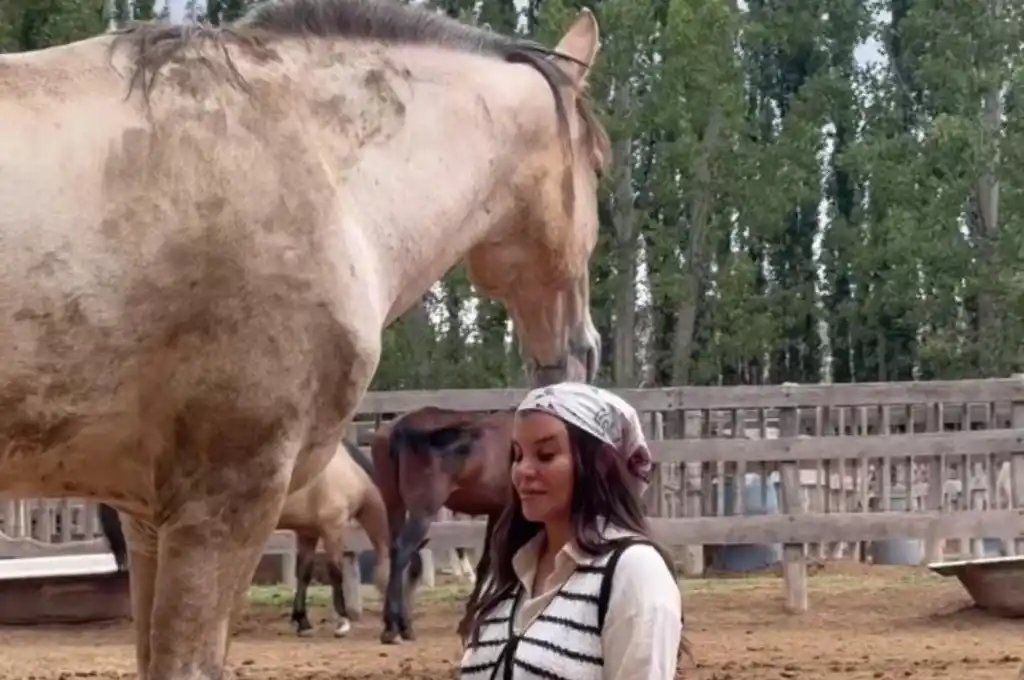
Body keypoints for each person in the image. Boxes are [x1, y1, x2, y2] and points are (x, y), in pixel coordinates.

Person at [458, 382, 685, 680]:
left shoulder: (635, 572)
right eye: (517, 455)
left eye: (546, 454)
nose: (523, 470)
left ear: (602, 464)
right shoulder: (508, 573)